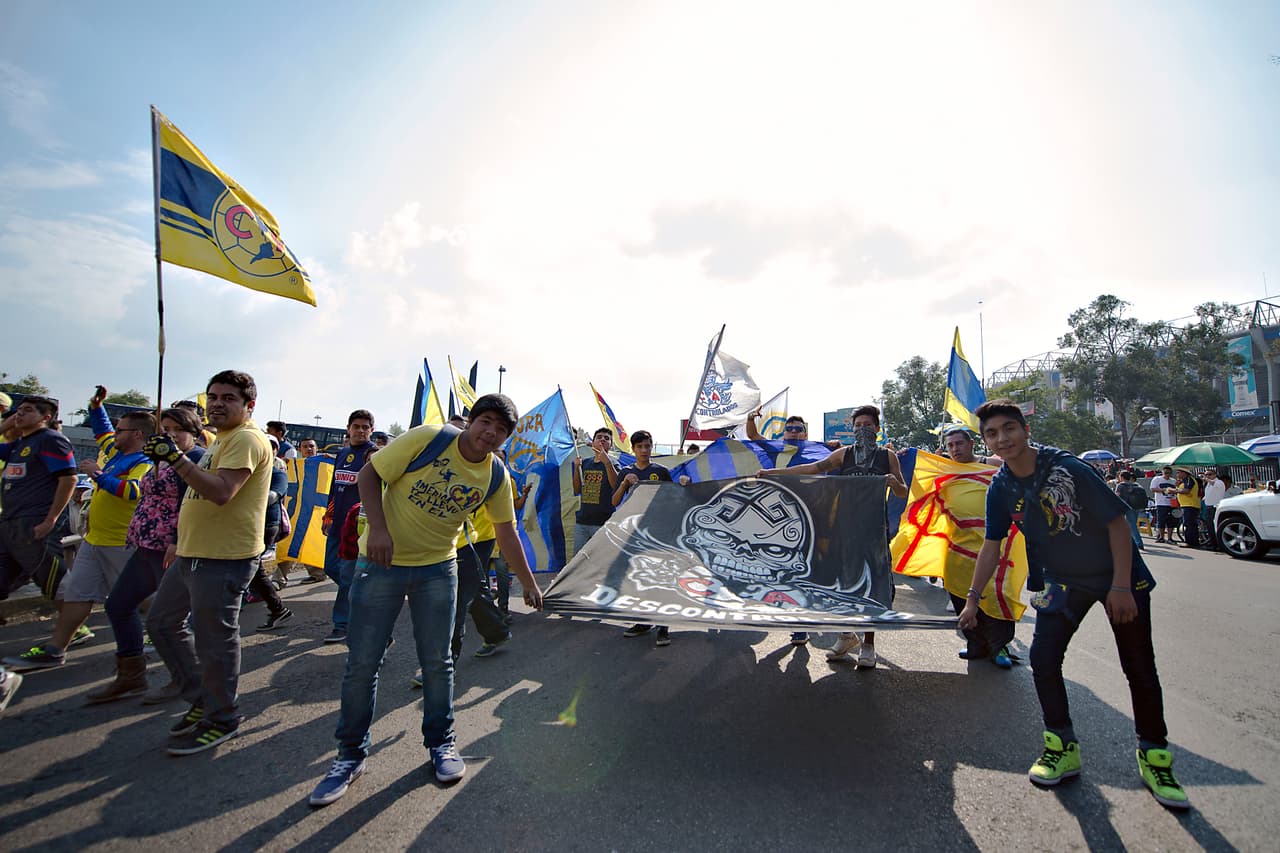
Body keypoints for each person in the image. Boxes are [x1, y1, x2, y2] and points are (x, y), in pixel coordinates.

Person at [308, 394, 544, 806]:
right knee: (364, 663)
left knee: (439, 663)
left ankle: (441, 744)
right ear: (471, 421)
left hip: (438, 570)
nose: (490, 433)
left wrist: (528, 583)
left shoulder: (496, 476)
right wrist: (378, 529)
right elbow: (369, 476)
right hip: (379, 565)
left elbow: (507, 533)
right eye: (485, 422)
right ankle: (349, 756)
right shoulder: (430, 438)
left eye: (501, 430)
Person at [959, 399, 1188, 809]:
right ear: (986, 441)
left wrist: (1119, 588)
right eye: (992, 434)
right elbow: (991, 546)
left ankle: (1155, 755)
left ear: (1025, 430)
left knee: (1138, 666)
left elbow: (1117, 526)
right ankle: (1061, 746)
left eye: (1008, 428)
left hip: (1117, 577)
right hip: (1062, 581)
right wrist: (972, 600)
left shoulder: (1070, 470)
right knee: (1045, 660)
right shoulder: (1001, 487)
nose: (1002, 439)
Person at [144, 370, 275, 756]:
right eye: (212, 396)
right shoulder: (221, 440)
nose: (217, 403)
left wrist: (177, 459)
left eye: (228, 398)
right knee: (161, 623)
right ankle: (203, 697)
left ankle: (223, 717)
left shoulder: (247, 439)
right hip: (192, 551)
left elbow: (221, 492)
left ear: (249, 406)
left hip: (224, 557)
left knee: (214, 641)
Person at [5, 388, 154, 670]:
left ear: (136, 434)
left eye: (121, 430)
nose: (114, 434)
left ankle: (169, 631)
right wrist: (96, 407)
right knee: (77, 594)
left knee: (142, 598)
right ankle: (55, 649)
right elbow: (103, 431)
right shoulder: (114, 452)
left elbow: (135, 492)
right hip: (94, 539)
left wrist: (97, 474)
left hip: (121, 542)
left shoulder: (144, 462)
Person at [761, 405, 907, 668]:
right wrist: (773, 474)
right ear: (853, 430)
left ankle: (869, 644)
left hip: (875, 529)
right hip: (844, 527)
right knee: (843, 581)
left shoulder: (888, 457)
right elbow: (812, 469)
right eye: (858, 425)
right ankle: (846, 633)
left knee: (872, 584)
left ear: (877, 429)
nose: (863, 429)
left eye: (868, 425)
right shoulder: (844, 455)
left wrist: (892, 483)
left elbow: (902, 492)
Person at [84, 407, 206, 704]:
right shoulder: (156, 455)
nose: (170, 434)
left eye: (178, 429)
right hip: (146, 544)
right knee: (119, 605)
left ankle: (191, 681)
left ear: (193, 433)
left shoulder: (198, 458)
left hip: (172, 549)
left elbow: (194, 502)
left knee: (169, 620)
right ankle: (131, 675)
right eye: (165, 428)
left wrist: (178, 540)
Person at [938, 424, 1016, 668]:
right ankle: (976, 643)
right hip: (956, 546)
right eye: (950, 445)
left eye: (959, 443)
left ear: (971, 443)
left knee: (995, 595)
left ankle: (999, 645)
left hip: (992, 544)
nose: (955, 449)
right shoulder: (944, 471)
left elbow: (1017, 478)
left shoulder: (991, 466)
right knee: (960, 593)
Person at [0, 396, 77, 608]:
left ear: (46, 417)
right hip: (10, 524)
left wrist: (50, 519)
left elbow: (69, 479)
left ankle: (75, 627)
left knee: (56, 584)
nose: (20, 414)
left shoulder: (50, 440)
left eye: (27, 410)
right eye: (18, 410)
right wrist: (4, 425)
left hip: (34, 524)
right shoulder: (20, 443)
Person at [748, 414, 813, 646]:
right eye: (790, 429)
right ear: (783, 433)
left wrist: (892, 454)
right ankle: (777, 612)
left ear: (805, 432)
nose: (794, 433)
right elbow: (753, 436)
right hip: (777, 521)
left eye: (798, 429)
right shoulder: (777, 448)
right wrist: (749, 418)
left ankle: (800, 626)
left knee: (801, 574)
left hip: (808, 520)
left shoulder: (819, 450)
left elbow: (851, 456)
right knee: (775, 569)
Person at [613, 430, 675, 647]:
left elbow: (674, 497)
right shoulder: (626, 471)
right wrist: (624, 485)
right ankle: (643, 621)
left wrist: (684, 483)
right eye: (639, 447)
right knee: (639, 578)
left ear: (652, 447)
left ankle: (663, 627)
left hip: (658, 532)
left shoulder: (661, 471)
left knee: (661, 579)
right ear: (633, 449)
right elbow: (614, 502)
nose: (644, 450)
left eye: (647, 446)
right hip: (635, 532)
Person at [322, 409, 378, 643]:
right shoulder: (342, 453)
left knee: (346, 576)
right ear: (348, 428)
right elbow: (335, 488)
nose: (361, 431)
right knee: (330, 568)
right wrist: (328, 515)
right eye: (357, 426)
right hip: (337, 524)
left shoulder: (375, 455)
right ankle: (360, 597)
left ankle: (342, 624)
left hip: (358, 527)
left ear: (371, 430)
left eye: (366, 427)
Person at [242, 434, 293, 630]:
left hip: (265, 525)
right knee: (252, 568)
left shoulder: (277, 474)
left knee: (249, 565)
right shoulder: (248, 470)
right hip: (244, 523)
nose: (267, 450)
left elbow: (272, 497)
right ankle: (277, 609)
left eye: (272, 448)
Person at [572, 428, 619, 551]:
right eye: (599, 437)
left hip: (603, 523)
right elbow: (577, 490)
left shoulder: (614, 463)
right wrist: (577, 468)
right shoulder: (585, 463)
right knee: (579, 561)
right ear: (592, 442)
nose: (602, 439)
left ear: (611, 445)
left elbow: (616, 486)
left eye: (607, 438)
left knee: (601, 563)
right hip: (582, 522)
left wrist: (607, 462)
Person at [1114, 470, 1149, 552]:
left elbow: (1117, 496)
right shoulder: (1136, 485)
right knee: (1132, 524)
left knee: (1131, 525)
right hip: (1137, 506)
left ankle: (1138, 543)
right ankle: (1129, 542)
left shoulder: (1120, 485)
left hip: (1126, 507)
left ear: (1122, 477)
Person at [1171, 467, 1202, 549]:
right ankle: (1193, 541)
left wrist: (1174, 490)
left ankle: (1190, 542)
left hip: (1190, 505)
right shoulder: (1184, 481)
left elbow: (1186, 491)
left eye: (1178, 472)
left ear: (1184, 473)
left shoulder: (1189, 480)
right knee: (1190, 524)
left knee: (1189, 524)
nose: (1177, 474)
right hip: (1186, 505)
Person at [1148, 466, 1176, 544]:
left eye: (1169, 473)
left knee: (1171, 521)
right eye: (1166, 473)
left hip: (1171, 502)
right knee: (1161, 520)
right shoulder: (1157, 479)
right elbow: (1153, 489)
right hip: (1161, 503)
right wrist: (1163, 490)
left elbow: (1176, 490)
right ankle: (1161, 537)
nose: (1167, 475)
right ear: (1162, 472)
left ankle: (1170, 537)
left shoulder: (1173, 481)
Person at [1201, 469, 1225, 552]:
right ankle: (1212, 543)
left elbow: (1214, 484)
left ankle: (1217, 544)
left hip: (1215, 507)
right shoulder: (1208, 484)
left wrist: (1207, 479)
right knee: (1209, 526)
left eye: (1209, 474)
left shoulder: (1218, 482)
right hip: (1208, 506)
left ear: (1215, 474)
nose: (1207, 476)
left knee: (1214, 527)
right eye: (1206, 475)